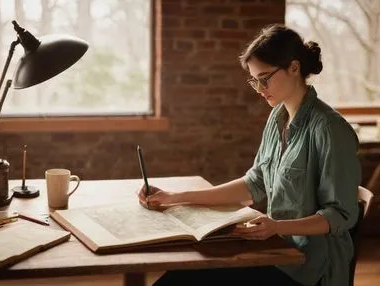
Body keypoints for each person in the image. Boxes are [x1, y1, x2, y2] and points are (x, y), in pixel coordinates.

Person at [137, 24, 361, 286]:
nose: (259, 89)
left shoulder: (330, 129)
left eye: (264, 78)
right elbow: (254, 182)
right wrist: (175, 198)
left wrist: (276, 227)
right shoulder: (278, 117)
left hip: (308, 268)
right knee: (181, 274)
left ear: (294, 67)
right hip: (277, 250)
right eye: (254, 80)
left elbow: (341, 215)